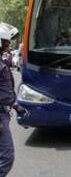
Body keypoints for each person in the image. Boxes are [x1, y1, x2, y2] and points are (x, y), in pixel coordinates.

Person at [0, 22, 24, 177]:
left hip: (4, 112)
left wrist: (15, 105)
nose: (9, 44)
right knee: (7, 156)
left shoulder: (2, 62)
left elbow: (4, 90)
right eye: (6, 41)